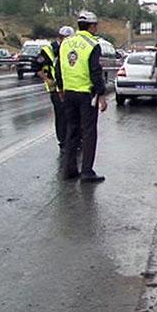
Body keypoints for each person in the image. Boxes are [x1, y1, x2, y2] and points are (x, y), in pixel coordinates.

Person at [55, 11, 107, 183]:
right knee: (89, 132)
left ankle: (69, 169)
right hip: (86, 94)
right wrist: (101, 94)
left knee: (72, 130)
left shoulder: (65, 43)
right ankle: (86, 171)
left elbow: (59, 68)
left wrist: (61, 88)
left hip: (69, 93)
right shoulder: (93, 43)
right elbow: (95, 71)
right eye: (96, 25)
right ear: (91, 26)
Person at [36, 26, 75, 150]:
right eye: (65, 38)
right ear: (60, 38)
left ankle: (73, 139)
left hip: (69, 87)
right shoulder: (48, 50)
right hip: (55, 89)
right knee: (61, 115)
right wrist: (47, 80)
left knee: (71, 115)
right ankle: (63, 141)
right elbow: (37, 67)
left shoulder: (72, 49)